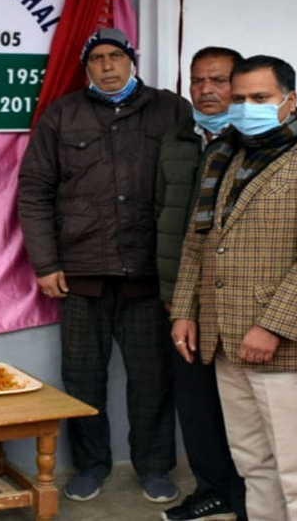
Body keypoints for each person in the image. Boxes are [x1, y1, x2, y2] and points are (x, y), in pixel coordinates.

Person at [170, 55, 297, 521]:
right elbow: (198, 242)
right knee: (253, 465)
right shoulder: (225, 159)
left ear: (290, 100)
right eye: (239, 99)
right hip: (224, 338)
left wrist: (272, 327)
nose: (247, 107)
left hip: (286, 346)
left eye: (260, 97)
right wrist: (184, 310)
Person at [18, 27, 192, 504]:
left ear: (132, 60)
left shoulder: (171, 110)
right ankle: (91, 465)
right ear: (86, 67)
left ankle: (154, 466)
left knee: (153, 379)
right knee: (82, 378)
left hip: (149, 275)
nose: (108, 65)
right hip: (81, 275)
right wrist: (46, 262)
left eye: (116, 55)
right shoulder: (62, 115)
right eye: (97, 58)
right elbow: (34, 191)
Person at [155, 46, 246, 521]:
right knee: (195, 405)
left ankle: (249, 499)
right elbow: (163, 215)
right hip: (181, 300)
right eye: (197, 81)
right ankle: (212, 489)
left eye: (218, 80)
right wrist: (174, 296)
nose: (206, 90)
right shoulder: (176, 139)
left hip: (235, 300)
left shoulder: (254, 142)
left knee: (242, 410)